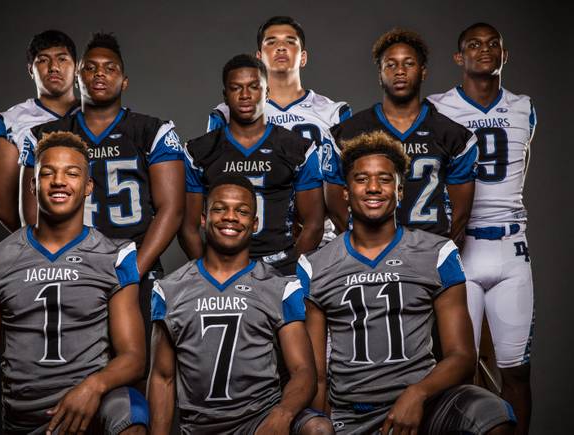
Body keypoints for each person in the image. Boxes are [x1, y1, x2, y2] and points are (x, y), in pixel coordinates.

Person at [300, 130, 516, 434]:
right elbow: (317, 376)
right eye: (361, 179)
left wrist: (418, 393)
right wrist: (320, 421)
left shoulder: (436, 253)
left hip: (425, 405)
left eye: (385, 179)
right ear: (346, 191)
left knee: (491, 412)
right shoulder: (316, 265)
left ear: (400, 191)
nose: (373, 188)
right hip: (353, 415)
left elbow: (462, 356)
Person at [20, 32, 185, 378]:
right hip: (69, 271)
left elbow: (171, 209)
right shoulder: (46, 134)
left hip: (135, 268)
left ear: (123, 79)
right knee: (66, 375)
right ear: (77, 77)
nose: (99, 74)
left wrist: (133, 271)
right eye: (90, 68)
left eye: (109, 68)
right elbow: (30, 212)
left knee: (136, 377)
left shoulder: (151, 130)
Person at [0, 131, 147, 434]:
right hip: (26, 420)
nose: (59, 181)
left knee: (131, 409)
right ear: (34, 185)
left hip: (91, 414)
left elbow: (134, 357)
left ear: (88, 186)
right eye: (47, 173)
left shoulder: (114, 256)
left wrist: (93, 386)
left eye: (72, 173)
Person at [148, 174, 333, 435]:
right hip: (199, 427)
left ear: (254, 223)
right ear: (203, 218)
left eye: (242, 211)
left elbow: (304, 372)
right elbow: (162, 377)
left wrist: (282, 415)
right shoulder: (170, 289)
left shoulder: (278, 287)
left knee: (318, 429)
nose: (230, 217)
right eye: (220, 209)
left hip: (260, 423)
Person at [427, 22, 537, 435]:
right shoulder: (437, 106)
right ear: (459, 57)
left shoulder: (525, 106)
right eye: (474, 44)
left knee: (518, 371)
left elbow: (521, 168)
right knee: (459, 371)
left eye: (494, 44)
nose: (484, 49)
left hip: (510, 246)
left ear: (505, 55)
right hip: (461, 246)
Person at [207, 16, 352, 242]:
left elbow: (346, 184)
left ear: (303, 57)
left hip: (323, 238)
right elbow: (212, 181)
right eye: (271, 42)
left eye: (290, 41)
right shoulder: (226, 113)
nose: (281, 47)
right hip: (249, 237)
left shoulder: (333, 113)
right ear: (258, 57)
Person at [328, 29, 478, 245]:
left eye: (408, 63)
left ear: (423, 71)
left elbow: (461, 215)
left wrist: (439, 253)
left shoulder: (451, 135)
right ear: (379, 73)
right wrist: (360, 246)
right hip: (370, 250)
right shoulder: (349, 132)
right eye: (391, 64)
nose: (400, 71)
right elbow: (336, 205)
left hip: (428, 249)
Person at [180, 54, 324, 276]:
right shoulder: (200, 151)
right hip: (220, 266)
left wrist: (294, 273)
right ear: (225, 96)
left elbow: (313, 223)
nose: (245, 96)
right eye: (236, 88)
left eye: (254, 87)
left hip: (279, 265)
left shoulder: (297, 148)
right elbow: (188, 227)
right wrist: (206, 273)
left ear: (267, 93)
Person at [0, 30, 79, 232]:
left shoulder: (96, 115)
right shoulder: (10, 121)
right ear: (31, 70)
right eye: (43, 60)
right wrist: (41, 242)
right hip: (45, 242)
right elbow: (3, 207)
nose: (54, 67)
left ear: (77, 68)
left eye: (62, 59)